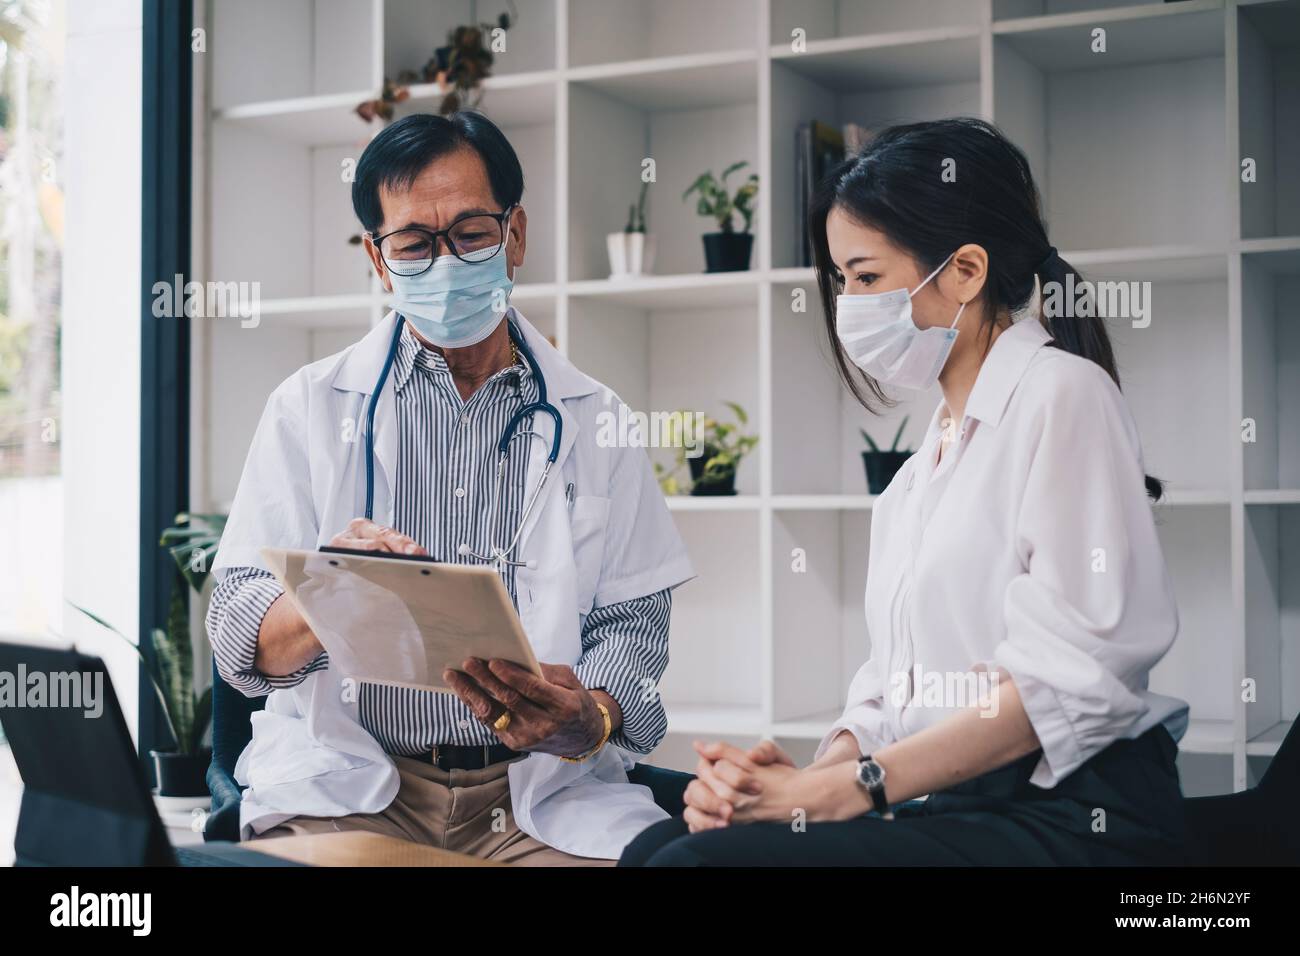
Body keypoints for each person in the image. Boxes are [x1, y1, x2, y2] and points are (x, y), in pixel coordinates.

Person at [622, 117, 1188, 867]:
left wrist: (852, 789)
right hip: (957, 800)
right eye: (842, 280)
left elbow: (1070, 678)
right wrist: (798, 785)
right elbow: (893, 690)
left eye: (866, 276)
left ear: (965, 272)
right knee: (659, 841)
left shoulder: (1062, 395)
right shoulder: (922, 470)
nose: (850, 302)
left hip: (1074, 814)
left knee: (692, 865)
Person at [208, 112, 694, 865]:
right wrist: (327, 587)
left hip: (539, 800)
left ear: (516, 234)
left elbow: (634, 629)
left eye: (471, 233)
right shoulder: (308, 409)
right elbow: (238, 638)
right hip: (356, 792)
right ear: (378, 258)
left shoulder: (599, 420)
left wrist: (585, 719)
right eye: (414, 245)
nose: (445, 264)